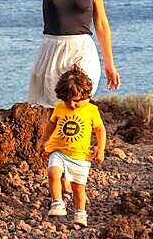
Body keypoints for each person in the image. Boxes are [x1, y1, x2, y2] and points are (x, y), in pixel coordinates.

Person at [37, 65, 106, 227]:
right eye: (69, 101)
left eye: (76, 101)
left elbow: (100, 129)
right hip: (58, 150)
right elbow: (51, 124)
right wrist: (44, 140)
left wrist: (100, 148)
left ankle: (80, 213)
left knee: (78, 189)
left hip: (80, 156)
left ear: (86, 94)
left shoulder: (91, 110)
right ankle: (57, 202)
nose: (72, 105)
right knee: (53, 173)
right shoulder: (60, 108)